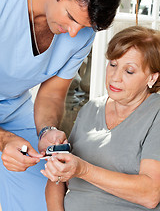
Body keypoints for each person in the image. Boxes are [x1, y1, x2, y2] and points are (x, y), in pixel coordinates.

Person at [0, 0, 123, 210]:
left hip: (13, 107)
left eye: (84, 25)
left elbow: (52, 94)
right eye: (70, 17)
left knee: (45, 194)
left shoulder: (83, 32)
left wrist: (47, 130)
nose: (75, 32)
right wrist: (4, 140)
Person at [42, 26, 160, 211]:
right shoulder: (91, 109)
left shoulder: (156, 113)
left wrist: (84, 170)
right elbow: (56, 179)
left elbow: (150, 194)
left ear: (152, 78)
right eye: (113, 64)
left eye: (129, 71)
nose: (115, 77)